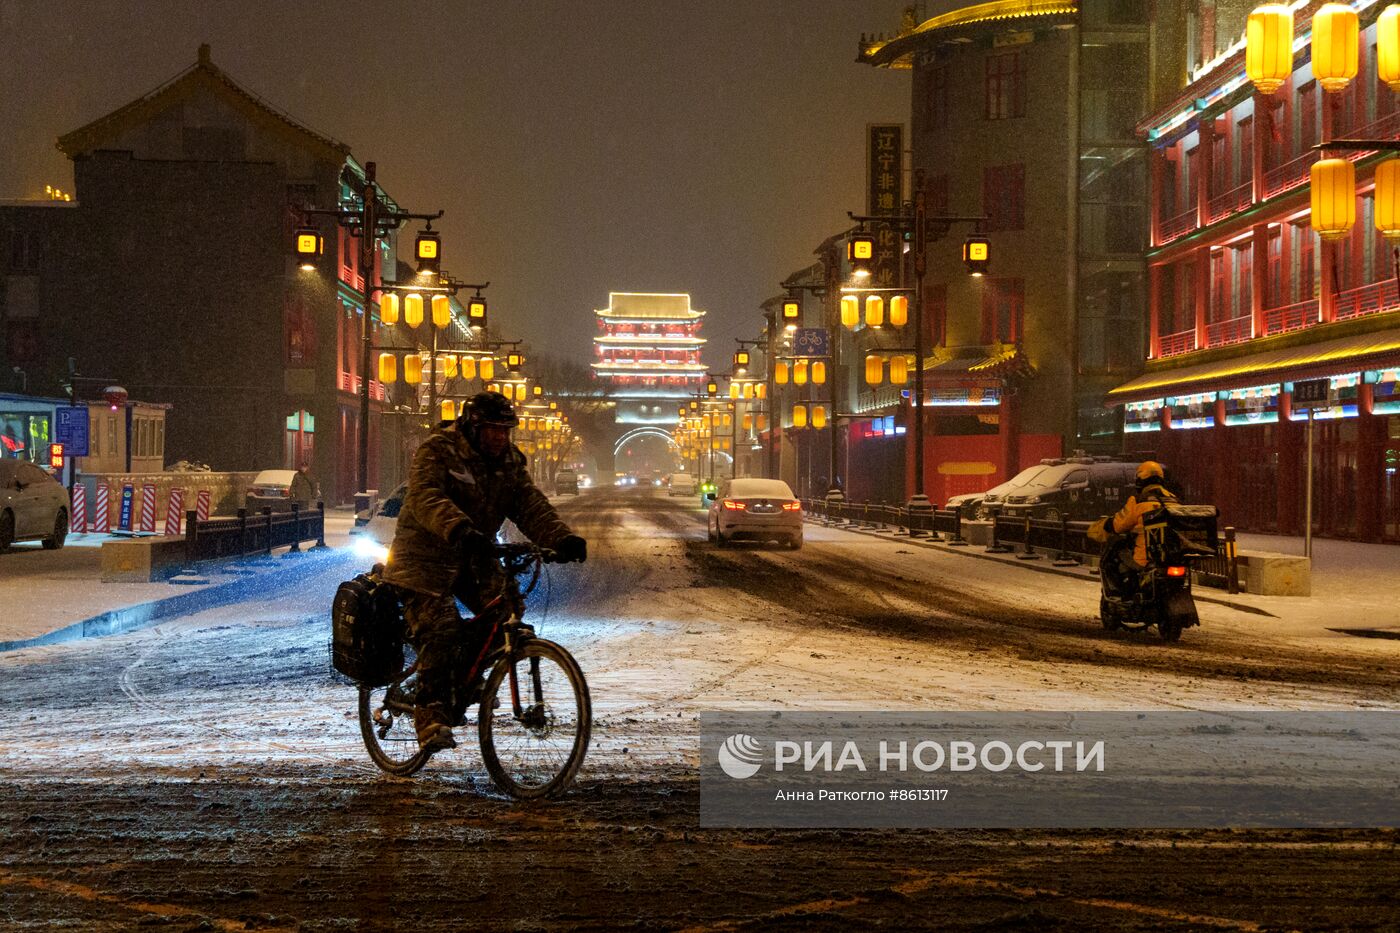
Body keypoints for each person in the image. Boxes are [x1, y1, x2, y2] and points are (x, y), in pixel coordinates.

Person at [383, 391, 586, 755]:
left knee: (507, 610)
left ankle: (463, 679)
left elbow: (529, 504)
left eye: (505, 430)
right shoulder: (439, 450)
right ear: (474, 428)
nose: (499, 437)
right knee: (441, 625)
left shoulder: (508, 462)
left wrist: (562, 538)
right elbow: (425, 496)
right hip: (423, 557)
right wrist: (459, 528)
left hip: (473, 554)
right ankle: (430, 713)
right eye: (492, 430)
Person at [1106, 460, 1178, 579]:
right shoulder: (1174, 500)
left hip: (1145, 560)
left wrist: (1108, 524)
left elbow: (1119, 526)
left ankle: (1125, 594)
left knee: (1117, 560)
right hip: (1172, 558)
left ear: (1140, 479)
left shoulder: (1138, 501)